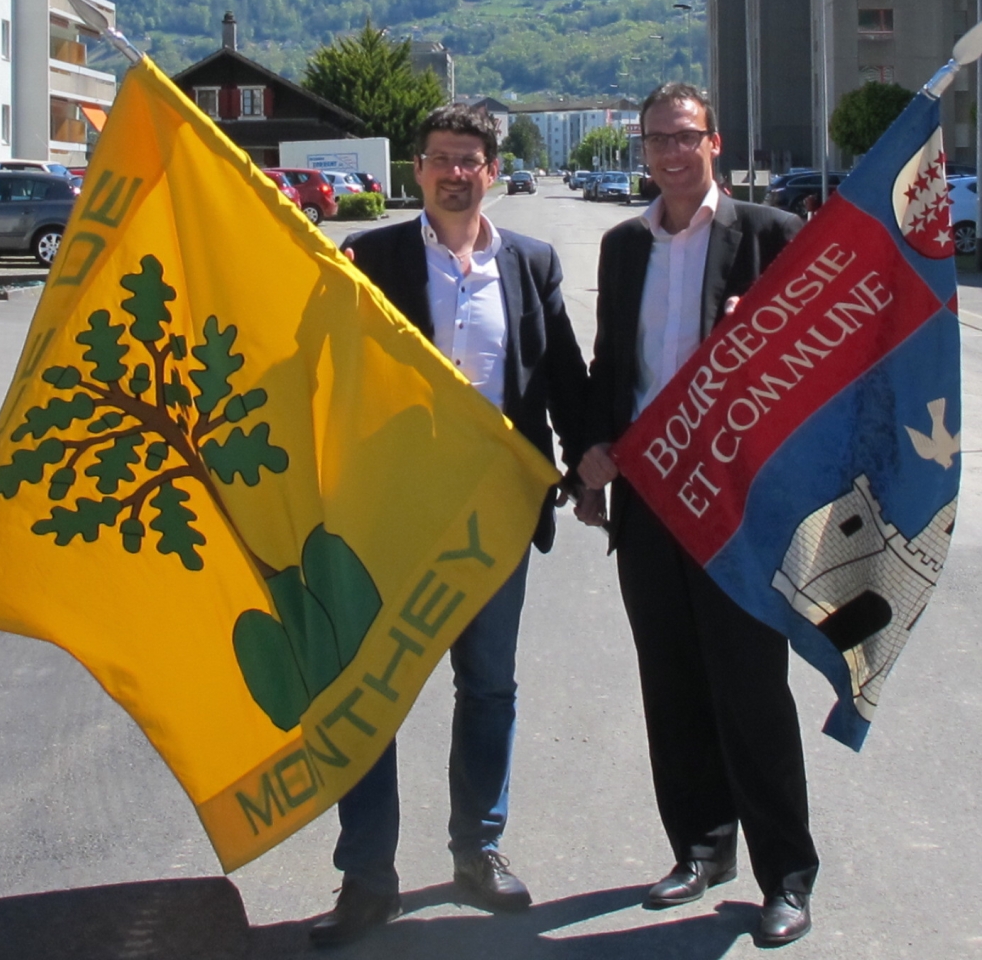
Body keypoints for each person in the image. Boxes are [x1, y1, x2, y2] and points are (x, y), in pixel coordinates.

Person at [311, 103, 589, 948]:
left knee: (491, 689)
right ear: (418, 170)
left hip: (494, 522)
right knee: (370, 697)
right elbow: (314, 357)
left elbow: (564, 380)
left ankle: (480, 852)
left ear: (491, 172)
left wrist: (591, 463)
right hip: (387, 517)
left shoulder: (531, 263)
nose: (454, 171)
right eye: (439, 158)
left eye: (469, 158)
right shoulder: (370, 256)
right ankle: (367, 879)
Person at [575, 81, 819, 948]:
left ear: (715, 141)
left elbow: (815, 366)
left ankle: (785, 875)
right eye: (656, 141)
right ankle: (701, 848)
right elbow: (613, 364)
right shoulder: (622, 246)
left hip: (737, 510)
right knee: (671, 684)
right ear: (642, 150)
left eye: (686, 138)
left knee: (751, 691)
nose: (672, 155)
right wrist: (593, 456)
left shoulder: (771, 236)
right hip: (648, 502)